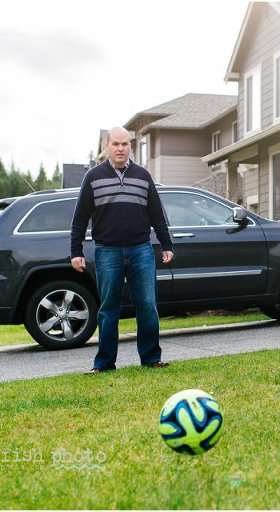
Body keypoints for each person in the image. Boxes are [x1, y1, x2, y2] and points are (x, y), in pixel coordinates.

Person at [70, 126, 174, 373]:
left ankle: (151, 358)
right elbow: (80, 217)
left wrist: (166, 243)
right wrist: (76, 251)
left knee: (147, 305)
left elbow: (157, 214)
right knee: (108, 309)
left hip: (141, 250)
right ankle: (104, 364)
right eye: (115, 144)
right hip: (107, 251)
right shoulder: (93, 177)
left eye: (125, 144)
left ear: (130, 146)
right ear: (107, 146)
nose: (120, 148)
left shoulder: (143, 175)